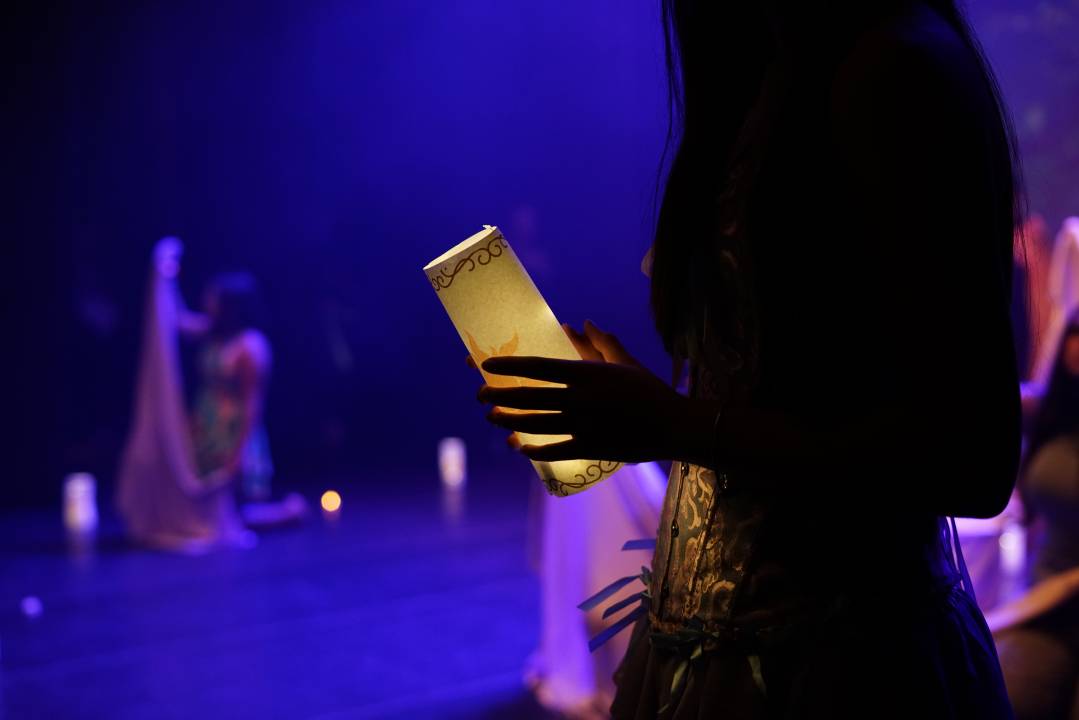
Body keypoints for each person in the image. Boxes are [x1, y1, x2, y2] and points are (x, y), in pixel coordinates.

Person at [474, 1, 1023, 717]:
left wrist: (673, 424)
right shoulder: (776, 71)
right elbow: (794, 390)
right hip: (713, 664)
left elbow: (971, 459)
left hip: (845, 673)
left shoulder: (893, 66)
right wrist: (644, 407)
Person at [993, 309, 1079, 720]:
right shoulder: (1048, 412)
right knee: (1012, 696)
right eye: (1075, 334)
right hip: (1044, 598)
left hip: (1067, 589)